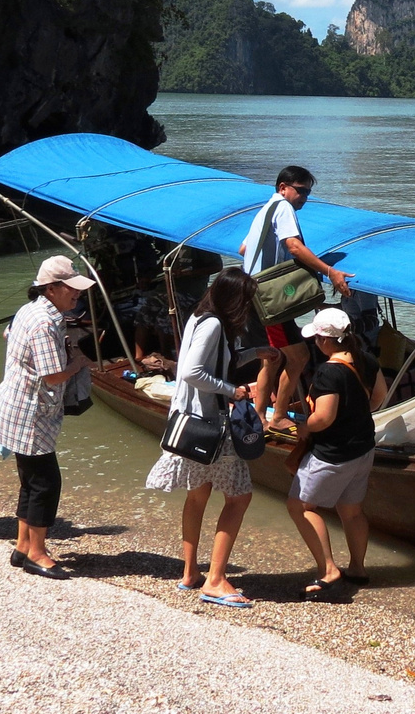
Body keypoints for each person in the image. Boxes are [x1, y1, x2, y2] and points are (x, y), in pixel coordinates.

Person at [145, 267, 263, 608]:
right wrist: (234, 391)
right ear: (234, 300)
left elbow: (215, 362)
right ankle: (214, 580)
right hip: (209, 424)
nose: (248, 309)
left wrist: (258, 354)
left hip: (191, 423)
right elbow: (193, 372)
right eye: (246, 301)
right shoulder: (213, 325)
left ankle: (189, 573)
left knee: (198, 496)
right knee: (238, 498)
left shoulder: (201, 318)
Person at [0, 256, 96, 579]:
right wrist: (78, 363)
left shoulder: (31, 311)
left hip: (17, 407)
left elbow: (8, 335)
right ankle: (37, 552)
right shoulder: (44, 322)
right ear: (52, 289)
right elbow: (52, 376)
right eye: (71, 289)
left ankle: (23, 545)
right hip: (30, 414)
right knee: (46, 483)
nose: (76, 294)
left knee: (32, 481)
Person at [240, 165, 354, 432]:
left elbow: (243, 248)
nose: (304, 197)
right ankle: (278, 416)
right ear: (283, 188)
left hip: (251, 294)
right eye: (300, 191)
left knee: (272, 357)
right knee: (299, 355)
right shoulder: (282, 207)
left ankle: (259, 413)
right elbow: (293, 245)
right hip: (269, 299)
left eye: (308, 193)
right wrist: (330, 271)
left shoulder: (264, 211)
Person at [286, 307, 387, 601]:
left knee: (301, 507)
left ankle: (329, 569)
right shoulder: (367, 359)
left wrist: (305, 427)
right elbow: (379, 397)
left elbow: (324, 417)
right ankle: (357, 568)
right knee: (352, 511)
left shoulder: (329, 371)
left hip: (332, 453)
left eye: (317, 338)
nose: (316, 343)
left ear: (326, 341)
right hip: (363, 446)